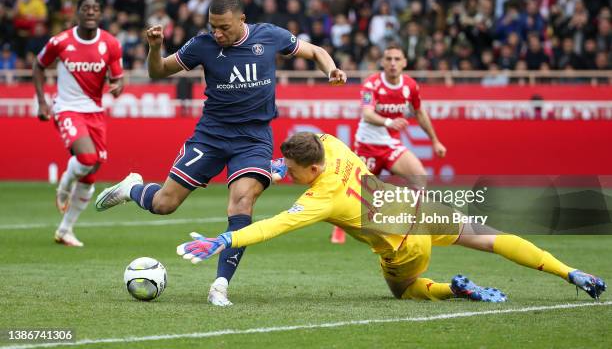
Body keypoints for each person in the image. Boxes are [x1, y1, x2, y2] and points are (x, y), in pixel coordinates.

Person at [95, 0, 347, 306]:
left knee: (241, 204)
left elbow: (315, 51)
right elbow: (158, 71)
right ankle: (133, 188)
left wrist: (331, 69)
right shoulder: (203, 44)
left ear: (242, 21)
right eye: (213, 27)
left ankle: (219, 285)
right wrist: (155, 48)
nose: (218, 33)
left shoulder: (269, 35)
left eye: (224, 27)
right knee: (164, 204)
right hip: (210, 136)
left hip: (253, 139)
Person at [177, 132, 607, 303]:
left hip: (403, 247)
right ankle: (572, 274)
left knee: (401, 290)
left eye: (292, 170)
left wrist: (224, 240)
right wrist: (275, 165)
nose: (288, 173)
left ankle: (452, 290)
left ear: (310, 170)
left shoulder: (320, 199)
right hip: (419, 210)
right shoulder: (331, 143)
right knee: (491, 237)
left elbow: (272, 226)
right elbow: (305, 147)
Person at [33, 0, 124, 247]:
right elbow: (38, 65)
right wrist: (42, 102)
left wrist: (118, 87)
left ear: (101, 13)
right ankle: (64, 183)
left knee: (91, 173)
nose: (91, 12)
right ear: (78, 12)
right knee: (86, 159)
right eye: (86, 8)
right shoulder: (60, 41)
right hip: (67, 109)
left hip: (94, 113)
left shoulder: (111, 44)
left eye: (96, 8)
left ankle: (65, 230)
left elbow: (118, 79)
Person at [331, 44, 446, 244]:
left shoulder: (410, 86)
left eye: (397, 59)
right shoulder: (371, 84)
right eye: (389, 59)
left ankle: (412, 226)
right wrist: (388, 122)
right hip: (367, 145)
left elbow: (420, 112)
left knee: (419, 178)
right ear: (383, 62)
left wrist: (435, 141)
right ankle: (339, 228)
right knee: (354, 192)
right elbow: (367, 113)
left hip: (391, 146)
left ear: (404, 63)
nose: (393, 63)